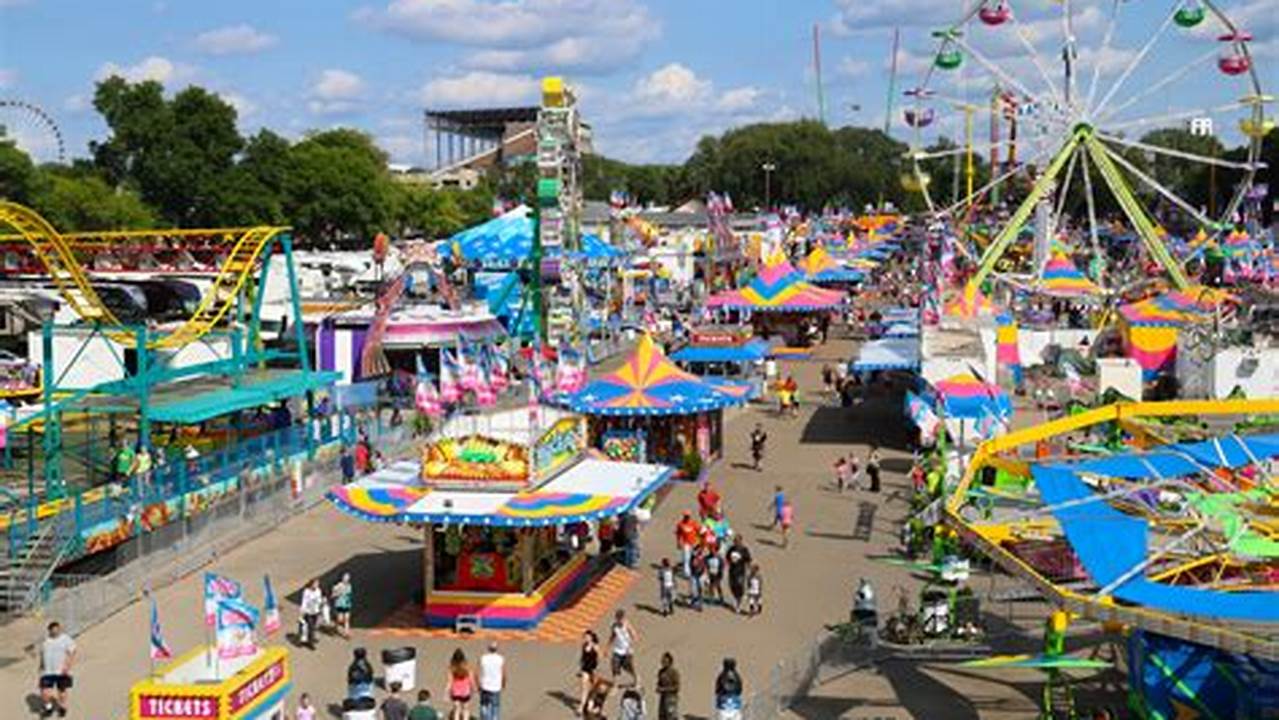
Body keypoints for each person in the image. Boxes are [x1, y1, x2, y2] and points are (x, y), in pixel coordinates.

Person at [38, 621, 75, 718]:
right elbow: (42, 654)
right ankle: (49, 708)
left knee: (61, 692)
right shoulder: (46, 641)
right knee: (44, 692)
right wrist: (41, 665)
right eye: (53, 631)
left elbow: (72, 652)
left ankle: (62, 708)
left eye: (57, 630)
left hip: (61, 671)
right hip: (48, 671)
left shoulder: (66, 639)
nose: (56, 632)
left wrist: (67, 666)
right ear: (49, 631)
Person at [609, 609, 638, 687]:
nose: (620, 621)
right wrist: (607, 647)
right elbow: (612, 636)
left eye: (621, 619)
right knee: (615, 667)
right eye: (618, 619)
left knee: (628, 667)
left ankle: (636, 678)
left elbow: (635, 636)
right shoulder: (614, 626)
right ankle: (615, 686)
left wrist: (630, 645)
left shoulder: (627, 625)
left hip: (627, 651)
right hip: (617, 650)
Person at [478, 641, 505, 720]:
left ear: (488, 648)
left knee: (484, 705)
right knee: (495, 707)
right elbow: (503, 673)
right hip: (496, 687)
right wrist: (503, 684)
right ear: (496, 649)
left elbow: (477, 672)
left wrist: (478, 684)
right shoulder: (500, 658)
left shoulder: (483, 658)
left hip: (485, 686)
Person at [725, 536, 752, 614]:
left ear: (741, 541)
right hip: (732, 571)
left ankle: (738, 604)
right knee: (732, 586)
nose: (736, 542)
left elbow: (748, 560)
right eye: (735, 541)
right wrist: (726, 565)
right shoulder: (731, 549)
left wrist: (750, 570)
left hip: (740, 572)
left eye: (738, 541)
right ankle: (736, 598)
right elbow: (727, 558)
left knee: (739, 586)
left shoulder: (744, 550)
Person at [447, 648, 475, 720]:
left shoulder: (452, 668)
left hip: (455, 692)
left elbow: (450, 681)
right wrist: (473, 688)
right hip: (465, 691)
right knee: (466, 709)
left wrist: (447, 692)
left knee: (457, 710)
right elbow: (471, 679)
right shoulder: (467, 667)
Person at [577, 630, 600, 716]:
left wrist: (596, 669)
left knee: (593, 689)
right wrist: (580, 668)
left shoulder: (595, 646)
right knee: (584, 688)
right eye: (584, 637)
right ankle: (581, 707)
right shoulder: (584, 646)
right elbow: (582, 658)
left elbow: (599, 657)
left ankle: (591, 705)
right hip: (585, 669)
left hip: (593, 669)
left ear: (591, 637)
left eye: (587, 637)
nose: (585, 638)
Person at [300, 579, 324, 649]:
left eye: (317, 584)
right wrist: (302, 612)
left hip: (315, 611)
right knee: (310, 627)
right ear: (311, 584)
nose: (317, 585)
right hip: (308, 612)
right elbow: (304, 602)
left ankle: (307, 639)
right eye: (315, 584)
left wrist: (320, 602)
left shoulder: (318, 590)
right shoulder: (306, 592)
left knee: (314, 627)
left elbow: (319, 600)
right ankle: (311, 643)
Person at [674, 512, 699, 579]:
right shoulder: (680, 524)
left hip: (694, 543)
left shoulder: (694, 523)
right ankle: (687, 573)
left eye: (688, 516)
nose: (687, 517)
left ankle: (695, 570)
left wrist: (699, 542)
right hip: (686, 544)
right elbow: (678, 534)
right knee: (686, 558)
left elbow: (699, 532)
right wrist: (678, 542)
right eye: (686, 516)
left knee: (694, 558)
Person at [655, 652, 680, 720]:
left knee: (671, 717)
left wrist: (664, 689)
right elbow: (659, 683)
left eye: (665, 661)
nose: (663, 662)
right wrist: (658, 688)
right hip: (663, 698)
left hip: (671, 698)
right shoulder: (661, 672)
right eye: (662, 661)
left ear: (670, 662)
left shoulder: (674, 672)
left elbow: (677, 687)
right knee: (662, 716)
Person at [331, 572, 353, 639]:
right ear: (342, 578)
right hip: (339, 604)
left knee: (346, 619)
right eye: (345, 578)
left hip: (346, 604)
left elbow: (349, 594)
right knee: (340, 619)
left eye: (347, 578)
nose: (346, 579)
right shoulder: (338, 586)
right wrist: (338, 593)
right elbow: (332, 595)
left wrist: (349, 600)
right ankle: (336, 626)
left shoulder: (349, 586)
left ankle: (347, 633)